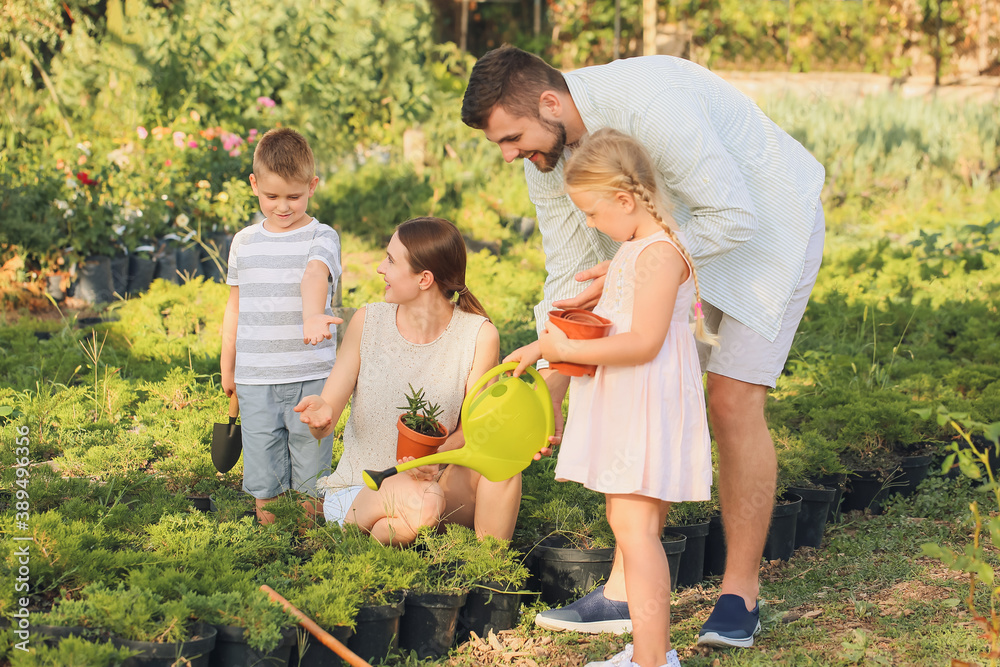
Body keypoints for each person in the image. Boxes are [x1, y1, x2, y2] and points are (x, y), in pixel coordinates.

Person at [462, 45, 826, 648]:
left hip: (765, 229)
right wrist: (552, 376)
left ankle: (739, 595)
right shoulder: (546, 161)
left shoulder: (650, 99)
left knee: (732, 402)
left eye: (512, 136)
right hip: (664, 253)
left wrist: (640, 262)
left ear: (550, 103)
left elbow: (733, 215)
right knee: (653, 396)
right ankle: (626, 592)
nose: (508, 154)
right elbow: (569, 274)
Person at [508, 128, 712, 667]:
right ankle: (648, 650)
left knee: (635, 531)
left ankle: (653, 659)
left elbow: (643, 342)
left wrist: (558, 344)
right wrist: (543, 346)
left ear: (625, 199)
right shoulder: (636, 250)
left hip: (643, 408)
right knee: (631, 526)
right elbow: (611, 325)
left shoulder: (658, 255)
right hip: (631, 403)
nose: (592, 224)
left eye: (594, 213)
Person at [294, 217, 516, 546]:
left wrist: (432, 461)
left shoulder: (478, 335)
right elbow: (327, 413)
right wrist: (319, 417)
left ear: (424, 279)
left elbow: (473, 430)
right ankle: (388, 544)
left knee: (504, 459)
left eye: (391, 260)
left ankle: (489, 572)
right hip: (363, 489)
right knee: (422, 501)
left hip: (435, 482)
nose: (380, 268)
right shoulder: (367, 321)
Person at [221, 127, 343, 525]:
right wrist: (229, 366)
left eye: (294, 196)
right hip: (255, 377)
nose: (283, 206)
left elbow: (314, 274)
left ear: (312, 186)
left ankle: (310, 544)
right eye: (271, 196)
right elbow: (234, 308)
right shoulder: (243, 242)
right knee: (263, 472)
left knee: (311, 472)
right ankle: (270, 545)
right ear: (254, 184)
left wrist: (311, 316)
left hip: (310, 375)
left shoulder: (321, 236)